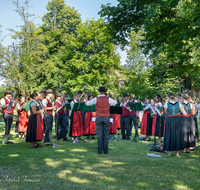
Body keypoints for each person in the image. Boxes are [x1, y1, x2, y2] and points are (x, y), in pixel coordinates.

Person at [85, 87, 117, 154]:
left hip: (99, 117)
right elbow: (115, 102)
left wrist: (86, 97)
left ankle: (99, 150)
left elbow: (87, 103)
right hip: (106, 117)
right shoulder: (108, 99)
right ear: (105, 91)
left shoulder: (96, 99)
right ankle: (105, 150)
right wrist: (114, 96)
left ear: (99, 91)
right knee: (106, 134)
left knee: (99, 134)